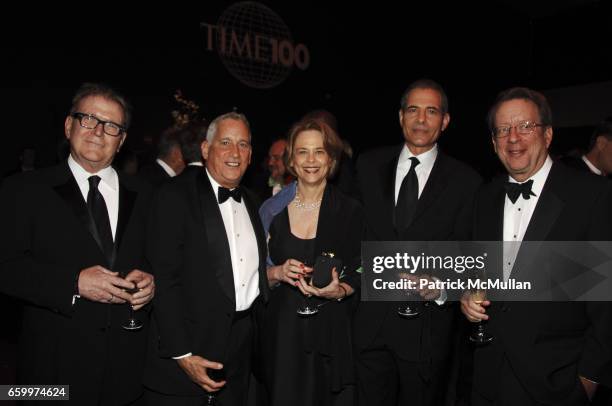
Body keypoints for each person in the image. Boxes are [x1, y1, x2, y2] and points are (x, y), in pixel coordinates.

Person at [0, 82, 155, 405]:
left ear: (122, 140)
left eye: (111, 125)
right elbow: (7, 268)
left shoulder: (149, 196)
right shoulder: (24, 189)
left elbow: (162, 262)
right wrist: (73, 282)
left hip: (126, 376)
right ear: (69, 125)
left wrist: (152, 282)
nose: (98, 131)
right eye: (88, 119)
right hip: (49, 375)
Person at [461, 87, 612, 405]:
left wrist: (589, 379)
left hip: (556, 383)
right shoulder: (484, 198)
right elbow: (477, 271)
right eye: (503, 129)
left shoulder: (591, 196)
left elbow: (606, 301)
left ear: (548, 135)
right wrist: (466, 298)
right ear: (493, 142)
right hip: (487, 378)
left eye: (525, 126)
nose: (513, 138)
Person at [352, 79, 481, 406]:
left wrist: (441, 286)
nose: (421, 119)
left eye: (431, 111)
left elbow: (471, 254)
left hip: (426, 332)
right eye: (413, 110)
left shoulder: (467, 181)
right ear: (400, 117)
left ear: (445, 121)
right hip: (369, 326)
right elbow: (351, 237)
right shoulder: (367, 167)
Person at [143, 112, 270, 406]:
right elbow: (164, 278)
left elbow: (242, 272)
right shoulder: (173, 196)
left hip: (239, 355)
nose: (235, 153)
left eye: (243, 144)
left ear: (251, 154)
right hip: (186, 353)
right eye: (225, 142)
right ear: (205, 149)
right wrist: (182, 354)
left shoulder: (253, 201)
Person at [258, 117, 364, 406]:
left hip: (332, 334)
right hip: (283, 336)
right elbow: (251, 275)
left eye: (319, 151)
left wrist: (341, 290)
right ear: (291, 159)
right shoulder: (270, 211)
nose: (311, 160)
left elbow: (362, 267)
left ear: (331, 157)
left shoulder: (351, 211)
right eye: (303, 151)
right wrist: (277, 272)